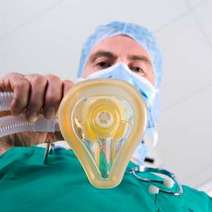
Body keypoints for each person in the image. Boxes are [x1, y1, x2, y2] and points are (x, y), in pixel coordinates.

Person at [0, 21, 211, 212]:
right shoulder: (17, 161)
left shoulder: (194, 204)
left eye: (137, 68)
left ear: (152, 98)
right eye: (103, 64)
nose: (119, 74)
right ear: (80, 83)